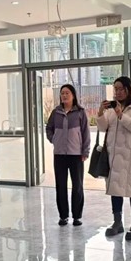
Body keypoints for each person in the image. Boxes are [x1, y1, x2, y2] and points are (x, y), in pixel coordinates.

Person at [96, 77, 131, 240]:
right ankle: (117, 223)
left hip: (130, 157)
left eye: (120, 89)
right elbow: (103, 128)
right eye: (115, 89)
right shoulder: (112, 108)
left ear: (128, 89)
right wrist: (101, 112)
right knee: (115, 189)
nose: (117, 92)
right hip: (113, 156)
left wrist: (121, 115)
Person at [46, 84, 90, 226]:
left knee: (77, 185)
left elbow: (85, 133)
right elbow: (49, 128)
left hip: (76, 154)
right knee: (61, 186)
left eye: (67, 93)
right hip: (59, 154)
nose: (64, 95)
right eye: (62, 93)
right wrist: (54, 139)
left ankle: (77, 216)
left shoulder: (80, 112)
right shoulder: (56, 112)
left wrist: (85, 151)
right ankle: (63, 216)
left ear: (73, 95)